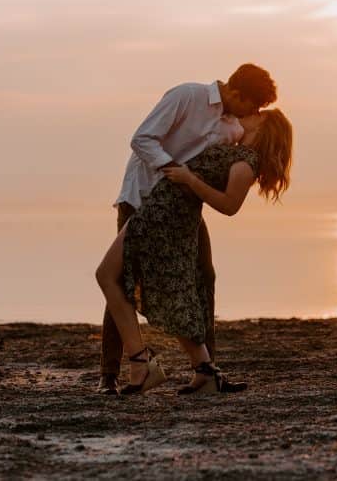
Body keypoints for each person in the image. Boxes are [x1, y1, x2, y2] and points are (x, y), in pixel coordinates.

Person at [96, 64, 278, 395]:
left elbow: (242, 156)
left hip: (184, 209)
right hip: (142, 197)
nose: (253, 113)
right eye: (252, 105)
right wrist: (175, 173)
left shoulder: (233, 126)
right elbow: (142, 139)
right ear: (236, 93)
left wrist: (191, 183)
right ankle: (110, 374)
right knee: (122, 281)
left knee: (203, 277)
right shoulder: (187, 96)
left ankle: (208, 370)